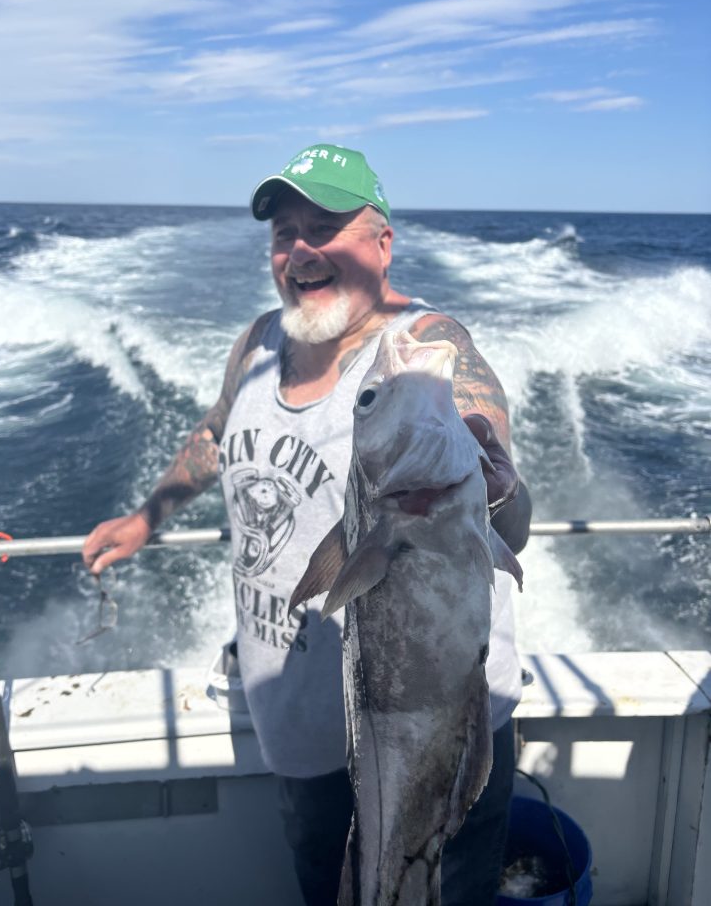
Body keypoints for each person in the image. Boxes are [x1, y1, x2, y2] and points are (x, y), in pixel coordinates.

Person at [82, 143, 532, 905]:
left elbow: (504, 507)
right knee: (332, 887)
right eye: (283, 232)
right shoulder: (259, 341)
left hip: (433, 724)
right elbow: (219, 432)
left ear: (381, 243)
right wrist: (147, 517)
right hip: (299, 724)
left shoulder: (426, 351)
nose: (299, 250)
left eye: (324, 226)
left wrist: (494, 477)